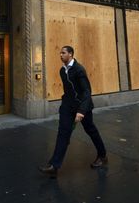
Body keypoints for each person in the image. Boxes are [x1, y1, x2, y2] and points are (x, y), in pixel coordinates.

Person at [39, 46, 107, 177]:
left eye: (63, 53)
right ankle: (54, 166)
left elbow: (86, 91)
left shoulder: (79, 69)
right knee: (63, 133)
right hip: (68, 107)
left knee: (91, 130)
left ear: (70, 54)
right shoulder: (62, 71)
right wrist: (64, 105)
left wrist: (81, 111)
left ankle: (102, 156)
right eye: (60, 53)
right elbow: (68, 91)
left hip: (83, 107)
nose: (60, 55)